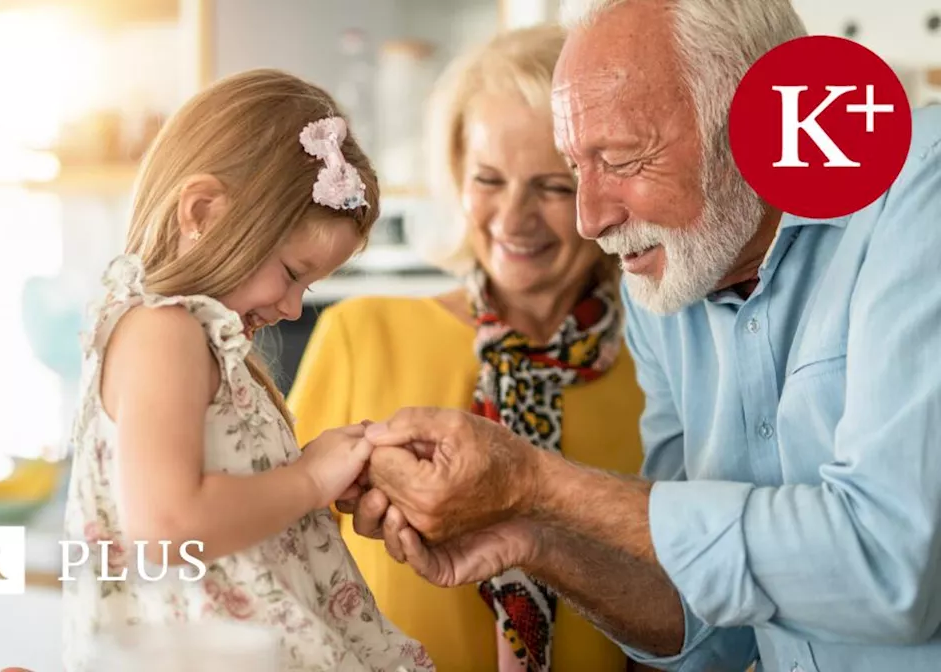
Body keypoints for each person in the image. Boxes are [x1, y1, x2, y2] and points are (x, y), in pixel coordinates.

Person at [342, 0, 941, 671]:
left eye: (623, 161)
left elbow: (894, 569)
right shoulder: (664, 288)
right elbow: (704, 627)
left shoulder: (923, 192)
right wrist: (533, 536)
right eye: (576, 169)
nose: (590, 219)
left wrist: (538, 484)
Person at [289, 25, 647, 672]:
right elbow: (274, 568)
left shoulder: (660, 377)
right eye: (489, 179)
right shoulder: (359, 336)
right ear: (455, 175)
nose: (513, 218)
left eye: (553, 186)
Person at [60, 69, 434, 672]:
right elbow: (166, 527)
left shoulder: (195, 341)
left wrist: (312, 478)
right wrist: (309, 480)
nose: (292, 307)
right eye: (292, 273)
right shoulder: (163, 332)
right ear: (203, 211)